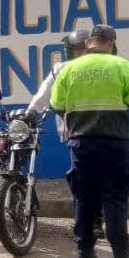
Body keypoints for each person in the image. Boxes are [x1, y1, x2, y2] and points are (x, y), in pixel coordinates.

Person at [51, 24, 129, 258]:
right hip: (115, 144)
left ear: (88, 43)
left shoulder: (69, 69)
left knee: (85, 198)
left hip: (81, 144)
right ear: (112, 43)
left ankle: (85, 255)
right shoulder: (122, 66)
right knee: (115, 199)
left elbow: (56, 104)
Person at [27, 29, 104, 239]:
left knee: (86, 177)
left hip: (86, 131)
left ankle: (90, 223)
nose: (78, 53)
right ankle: (91, 221)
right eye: (75, 50)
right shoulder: (64, 69)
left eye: (80, 49)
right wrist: (31, 111)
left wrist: (32, 110)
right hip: (87, 130)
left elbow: (45, 95)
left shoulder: (82, 68)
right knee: (86, 176)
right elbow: (44, 93)